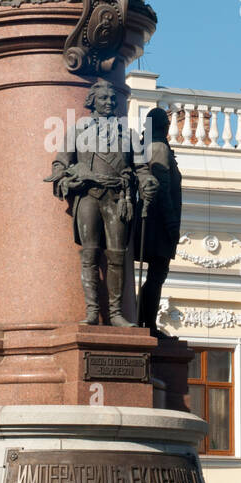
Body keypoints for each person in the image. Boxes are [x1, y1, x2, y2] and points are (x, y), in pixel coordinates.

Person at [51, 79, 157, 325]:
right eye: (103, 98)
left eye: (112, 99)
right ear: (92, 102)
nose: (109, 102)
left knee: (117, 255)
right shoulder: (78, 131)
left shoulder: (128, 134)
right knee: (89, 254)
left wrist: (148, 181)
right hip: (88, 195)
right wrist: (66, 177)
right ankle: (92, 311)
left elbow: (141, 168)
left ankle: (116, 313)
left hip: (117, 198)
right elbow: (60, 163)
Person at [136, 107, 182, 336]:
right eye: (166, 124)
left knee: (154, 275)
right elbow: (162, 188)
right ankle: (148, 325)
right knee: (157, 274)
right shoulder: (159, 148)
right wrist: (171, 223)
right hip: (158, 222)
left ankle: (142, 320)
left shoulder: (146, 146)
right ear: (163, 126)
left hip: (151, 219)